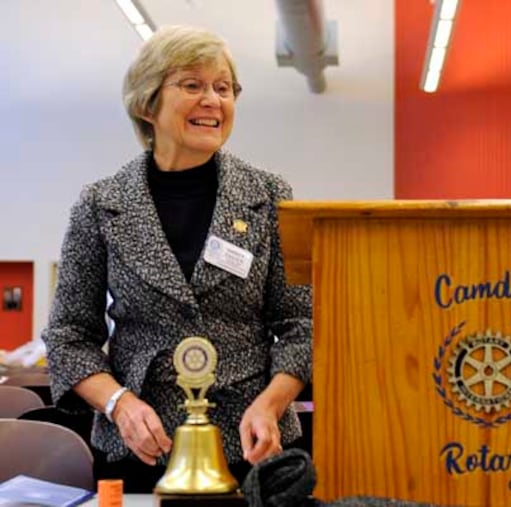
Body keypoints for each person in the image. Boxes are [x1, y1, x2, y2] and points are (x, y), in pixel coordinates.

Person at [42, 25, 312, 493]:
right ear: (148, 103)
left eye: (223, 88)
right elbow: (68, 337)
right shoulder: (100, 204)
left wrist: (271, 403)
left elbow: (301, 324)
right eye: (193, 85)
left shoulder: (269, 197)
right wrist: (119, 404)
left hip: (252, 445)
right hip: (140, 445)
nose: (213, 100)